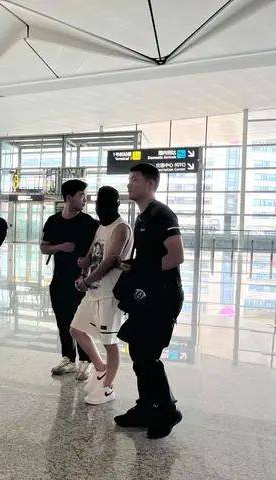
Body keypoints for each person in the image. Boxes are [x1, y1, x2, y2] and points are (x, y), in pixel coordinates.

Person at [114, 163, 184, 439]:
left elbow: (175, 256)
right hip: (145, 297)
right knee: (137, 352)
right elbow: (151, 259)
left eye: (135, 179)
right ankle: (146, 407)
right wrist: (134, 267)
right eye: (129, 179)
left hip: (162, 298)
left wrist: (144, 273)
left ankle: (167, 410)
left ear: (151, 183)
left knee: (147, 356)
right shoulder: (142, 217)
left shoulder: (161, 214)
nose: (129, 184)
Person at [70, 186, 132, 405]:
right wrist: (84, 266)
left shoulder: (121, 228)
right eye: (99, 203)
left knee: (109, 342)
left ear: (117, 205)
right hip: (93, 291)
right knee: (76, 330)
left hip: (109, 295)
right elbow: (92, 254)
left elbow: (109, 262)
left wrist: (86, 282)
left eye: (106, 203)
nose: (100, 208)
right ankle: (100, 369)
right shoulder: (101, 227)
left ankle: (108, 387)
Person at [40, 180, 98, 381]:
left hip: (82, 281)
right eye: (81, 195)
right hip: (59, 280)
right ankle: (68, 358)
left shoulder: (89, 223)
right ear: (68, 198)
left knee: (81, 322)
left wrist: (86, 274)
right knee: (62, 321)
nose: (84, 199)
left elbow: (97, 252)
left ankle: (86, 361)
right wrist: (61, 247)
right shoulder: (53, 221)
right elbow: (44, 247)